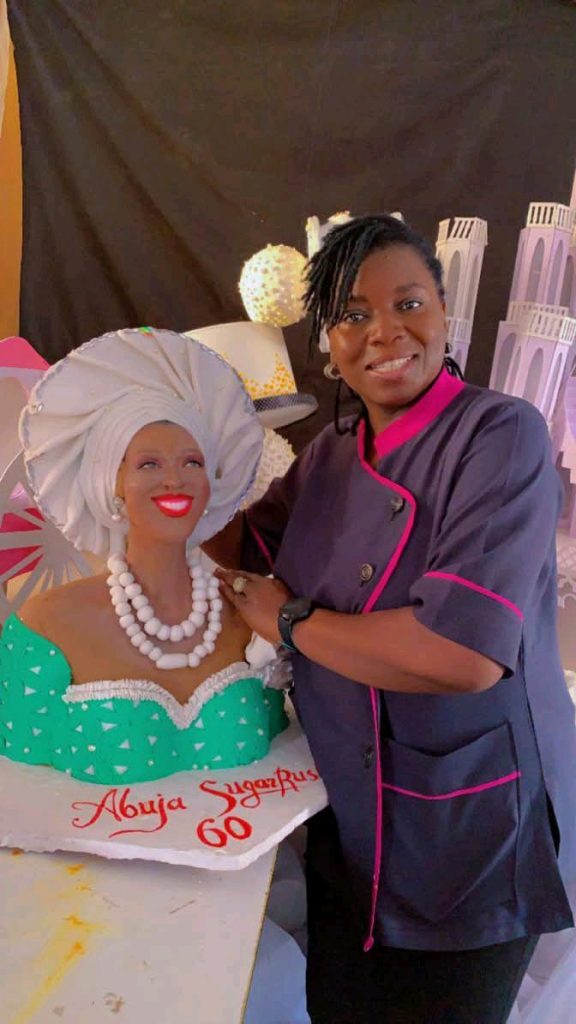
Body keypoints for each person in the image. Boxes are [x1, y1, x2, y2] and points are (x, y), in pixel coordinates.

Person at [206, 215, 576, 1024]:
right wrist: (200, 452)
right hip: (352, 816)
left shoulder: (500, 435)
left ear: (444, 313)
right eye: (353, 314)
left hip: (469, 823)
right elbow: (239, 557)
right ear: (328, 342)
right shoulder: (331, 455)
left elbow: (461, 652)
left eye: (408, 303)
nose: (384, 331)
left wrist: (292, 622)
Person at [0, 327, 287, 783]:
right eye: (148, 464)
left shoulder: (251, 613)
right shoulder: (43, 627)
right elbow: (18, 787)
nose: (175, 479)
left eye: (192, 462)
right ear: (111, 485)